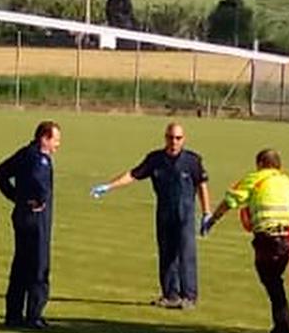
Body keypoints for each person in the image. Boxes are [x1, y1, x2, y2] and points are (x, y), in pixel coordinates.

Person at [90, 122, 211, 309]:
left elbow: (202, 185)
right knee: (166, 254)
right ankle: (171, 295)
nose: (174, 142)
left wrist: (206, 212)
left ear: (183, 139)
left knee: (186, 254)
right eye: (170, 137)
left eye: (178, 138)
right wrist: (109, 186)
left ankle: (189, 296)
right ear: (165, 138)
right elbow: (133, 174)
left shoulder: (192, 161)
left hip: (185, 213)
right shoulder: (155, 159)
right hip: (164, 212)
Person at [201, 149, 289, 333]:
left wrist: (212, 220)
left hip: (268, 238)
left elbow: (230, 201)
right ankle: (283, 327)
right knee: (274, 280)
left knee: (272, 282)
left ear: (261, 164)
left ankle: (285, 328)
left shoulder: (255, 178)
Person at [0, 120, 60, 330]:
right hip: (35, 218)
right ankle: (34, 315)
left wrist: (16, 197)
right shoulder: (38, 159)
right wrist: (33, 200)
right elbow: (39, 186)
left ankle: (13, 315)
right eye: (56, 140)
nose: (58, 145)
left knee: (20, 265)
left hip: (22, 215)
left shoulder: (24, 153)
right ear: (45, 138)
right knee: (39, 265)